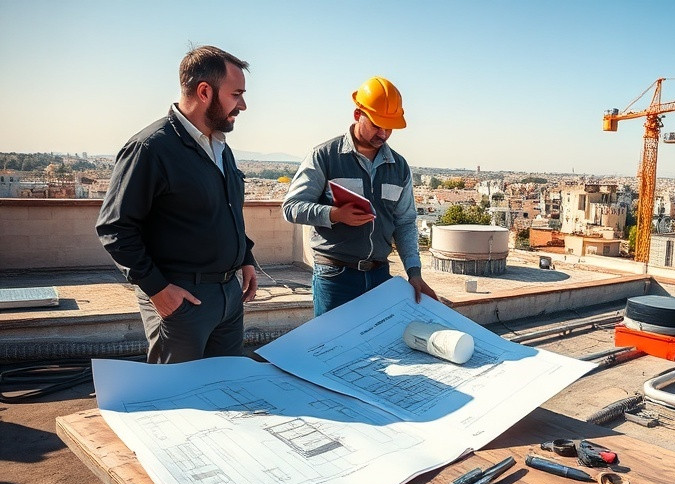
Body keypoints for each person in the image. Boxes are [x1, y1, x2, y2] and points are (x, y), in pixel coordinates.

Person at [96, 45, 258, 363]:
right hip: (182, 299)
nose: (243, 105)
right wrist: (158, 290)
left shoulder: (221, 148)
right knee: (178, 391)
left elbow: (224, 211)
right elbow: (115, 228)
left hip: (228, 296)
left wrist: (245, 258)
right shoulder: (150, 148)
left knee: (225, 385)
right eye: (236, 94)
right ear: (204, 91)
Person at [282, 76, 436, 316]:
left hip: (379, 276)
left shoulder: (399, 167)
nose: (383, 134)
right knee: (334, 339)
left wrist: (414, 272)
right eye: (377, 125)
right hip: (335, 276)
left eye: (389, 128)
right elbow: (292, 207)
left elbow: (405, 222)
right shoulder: (324, 156)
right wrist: (334, 214)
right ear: (357, 115)